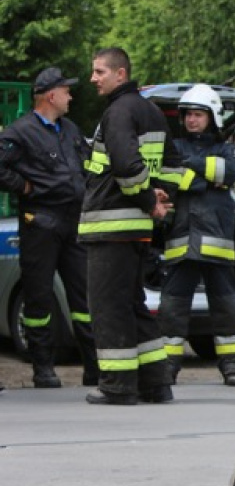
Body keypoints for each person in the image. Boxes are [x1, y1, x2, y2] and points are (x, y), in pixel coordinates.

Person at [80, 47, 181, 405]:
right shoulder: (151, 111)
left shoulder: (119, 111)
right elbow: (173, 166)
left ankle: (118, 386)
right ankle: (156, 383)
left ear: (120, 74)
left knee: (109, 306)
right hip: (137, 229)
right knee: (133, 303)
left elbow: (125, 166)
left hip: (111, 227)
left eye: (99, 72)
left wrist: (150, 201)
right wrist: (160, 198)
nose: (93, 79)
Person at [0, 67, 99, 388]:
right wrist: (23, 187)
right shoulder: (20, 131)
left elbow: (89, 162)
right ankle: (43, 368)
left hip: (73, 222)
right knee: (38, 297)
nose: (71, 96)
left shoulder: (69, 129)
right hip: (40, 223)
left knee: (83, 297)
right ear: (50, 95)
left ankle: (93, 367)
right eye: (66, 91)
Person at [157, 84, 235, 387]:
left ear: (213, 117)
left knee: (226, 308)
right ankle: (167, 366)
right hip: (181, 241)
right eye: (188, 115)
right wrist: (205, 179)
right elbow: (169, 177)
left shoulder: (226, 149)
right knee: (172, 309)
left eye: (198, 115)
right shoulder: (175, 148)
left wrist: (193, 169)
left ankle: (233, 366)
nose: (192, 121)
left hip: (217, 244)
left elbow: (230, 171)